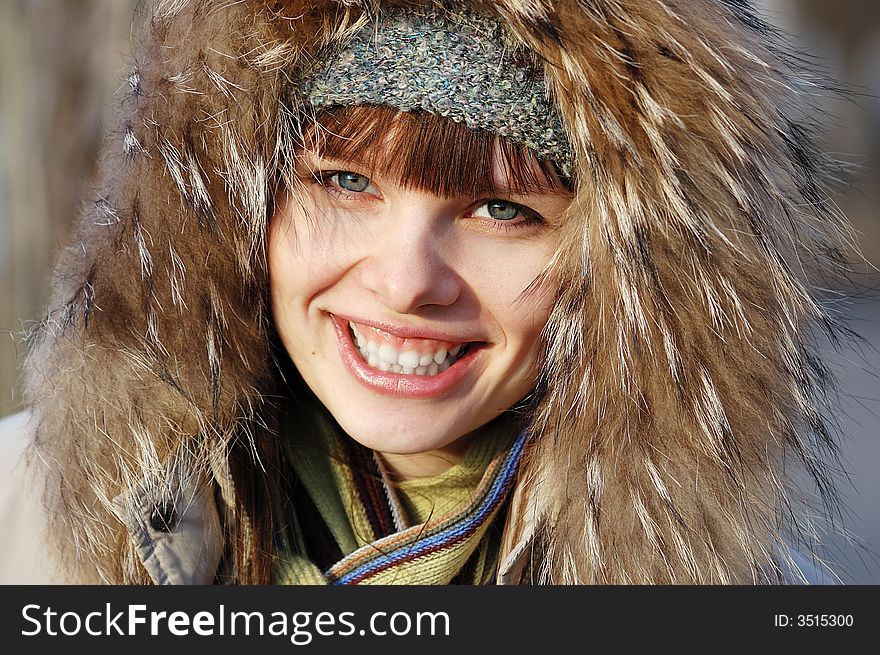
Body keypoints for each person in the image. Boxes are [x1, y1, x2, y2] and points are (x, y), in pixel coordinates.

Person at [0, 0, 854, 584]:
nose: (407, 282)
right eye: (343, 182)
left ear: (633, 276)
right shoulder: (23, 522)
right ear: (235, 205)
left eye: (502, 209)